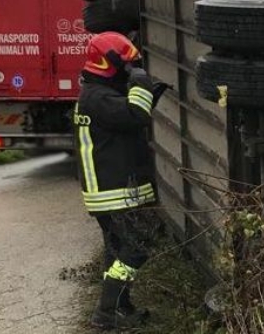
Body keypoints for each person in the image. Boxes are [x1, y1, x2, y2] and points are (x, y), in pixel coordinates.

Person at [74, 31, 167, 329]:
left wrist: (147, 93)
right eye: (128, 65)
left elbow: (127, 120)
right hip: (114, 192)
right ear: (110, 64)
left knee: (117, 251)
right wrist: (140, 81)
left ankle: (119, 308)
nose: (131, 69)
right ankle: (107, 310)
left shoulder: (97, 94)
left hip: (110, 190)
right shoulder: (98, 97)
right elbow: (135, 115)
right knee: (137, 246)